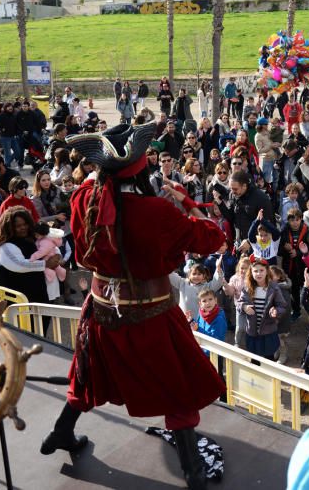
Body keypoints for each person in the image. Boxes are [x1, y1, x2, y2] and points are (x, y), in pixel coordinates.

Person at [39, 122, 227, 490]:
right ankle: (191, 470)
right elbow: (214, 238)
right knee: (179, 385)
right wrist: (187, 203)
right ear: (140, 170)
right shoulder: (157, 211)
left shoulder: (82, 198)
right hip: (151, 313)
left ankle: (61, 432)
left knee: (88, 374)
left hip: (101, 310)